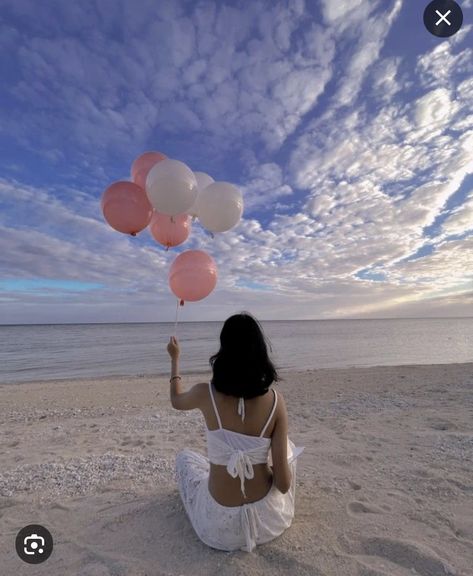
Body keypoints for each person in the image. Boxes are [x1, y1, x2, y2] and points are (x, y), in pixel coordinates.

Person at [167, 312, 304, 553]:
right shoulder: (275, 402)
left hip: (218, 526)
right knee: (288, 449)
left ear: (224, 351)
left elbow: (176, 400)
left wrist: (175, 359)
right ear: (260, 351)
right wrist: (265, 465)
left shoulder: (204, 394)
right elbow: (283, 485)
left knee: (185, 459)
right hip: (266, 522)